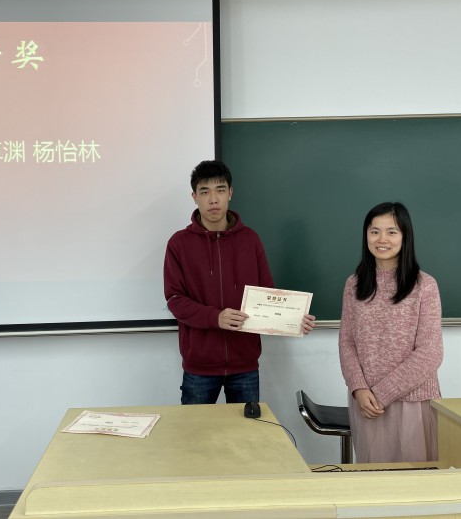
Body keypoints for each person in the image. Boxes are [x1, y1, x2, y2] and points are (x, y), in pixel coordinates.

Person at [164, 160, 315, 405]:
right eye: (205, 191)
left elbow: (267, 294)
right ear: (194, 197)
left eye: (220, 190)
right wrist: (216, 317)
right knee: (195, 430)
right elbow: (174, 299)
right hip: (199, 367)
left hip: (245, 366)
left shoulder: (250, 239)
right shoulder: (179, 244)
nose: (213, 199)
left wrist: (294, 318)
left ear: (230, 193)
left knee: (248, 430)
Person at [338, 202, 443, 463]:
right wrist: (359, 388)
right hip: (366, 403)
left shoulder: (424, 285)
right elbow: (347, 342)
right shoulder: (354, 284)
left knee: (415, 480)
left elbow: (431, 352)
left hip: (413, 401)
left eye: (392, 232)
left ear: (405, 236)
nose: (382, 239)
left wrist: (381, 394)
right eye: (374, 231)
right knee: (374, 480)